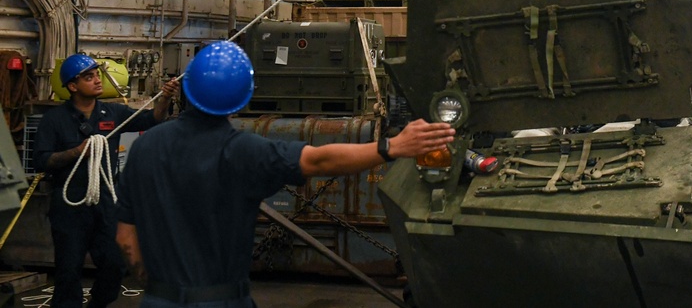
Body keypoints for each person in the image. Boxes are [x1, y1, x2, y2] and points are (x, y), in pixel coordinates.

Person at [115, 41, 454, 307]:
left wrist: (158, 285)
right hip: (220, 300)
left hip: (159, 299)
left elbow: (126, 241)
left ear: (186, 89)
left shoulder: (143, 148)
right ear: (240, 101)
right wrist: (391, 147)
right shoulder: (244, 151)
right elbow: (319, 161)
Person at [34, 54, 179, 308]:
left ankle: (98, 303)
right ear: (72, 86)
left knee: (115, 263)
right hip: (70, 205)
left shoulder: (113, 112)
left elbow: (152, 119)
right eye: (88, 77)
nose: (97, 80)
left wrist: (165, 97)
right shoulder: (54, 120)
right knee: (68, 270)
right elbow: (42, 160)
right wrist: (76, 152)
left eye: (97, 74)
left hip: (107, 202)